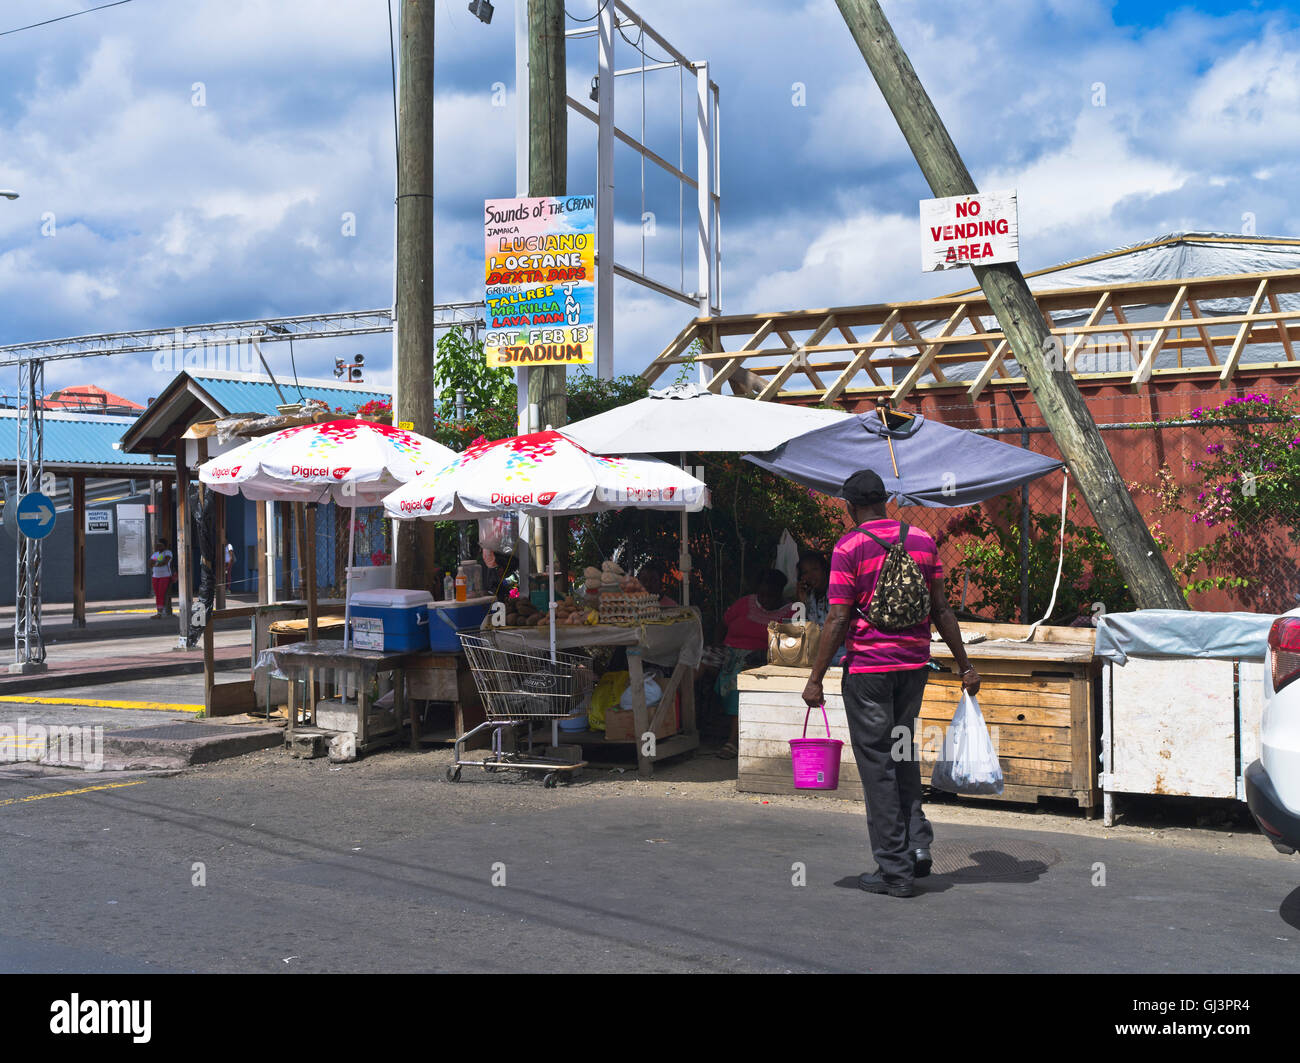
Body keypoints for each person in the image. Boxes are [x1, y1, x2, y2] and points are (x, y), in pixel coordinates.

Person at [802, 469, 980, 899]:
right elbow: (942, 610)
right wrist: (965, 665)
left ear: (849, 506)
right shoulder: (922, 540)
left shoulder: (849, 546)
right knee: (902, 753)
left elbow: (839, 617)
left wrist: (815, 677)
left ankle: (894, 870)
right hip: (913, 668)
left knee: (877, 765)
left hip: (869, 674)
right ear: (886, 500)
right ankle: (917, 847)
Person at [714, 568, 796, 759]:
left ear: (780, 592)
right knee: (696, 664)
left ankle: (732, 741)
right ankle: (687, 726)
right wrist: (718, 646)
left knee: (739, 678)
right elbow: (722, 624)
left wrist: (766, 653)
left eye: (771, 595)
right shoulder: (745, 603)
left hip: (759, 656)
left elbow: (790, 644)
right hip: (728, 650)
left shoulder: (791, 610)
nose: (766, 599)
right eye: (762, 594)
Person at [797, 550, 845, 666]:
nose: (810, 576)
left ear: (824, 569)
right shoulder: (809, 596)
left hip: (841, 654)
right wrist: (801, 601)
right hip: (816, 655)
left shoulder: (837, 592)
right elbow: (800, 629)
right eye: (805, 572)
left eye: (815, 569)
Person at [150, 538, 174, 618]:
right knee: (157, 594)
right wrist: (157, 563)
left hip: (165, 576)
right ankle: (159, 611)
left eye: (160, 545)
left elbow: (164, 562)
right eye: (157, 545)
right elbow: (149, 563)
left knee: (162, 594)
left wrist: (155, 563)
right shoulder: (156, 554)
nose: (158, 546)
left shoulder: (168, 552)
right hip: (155, 576)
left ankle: (161, 612)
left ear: (164, 545)